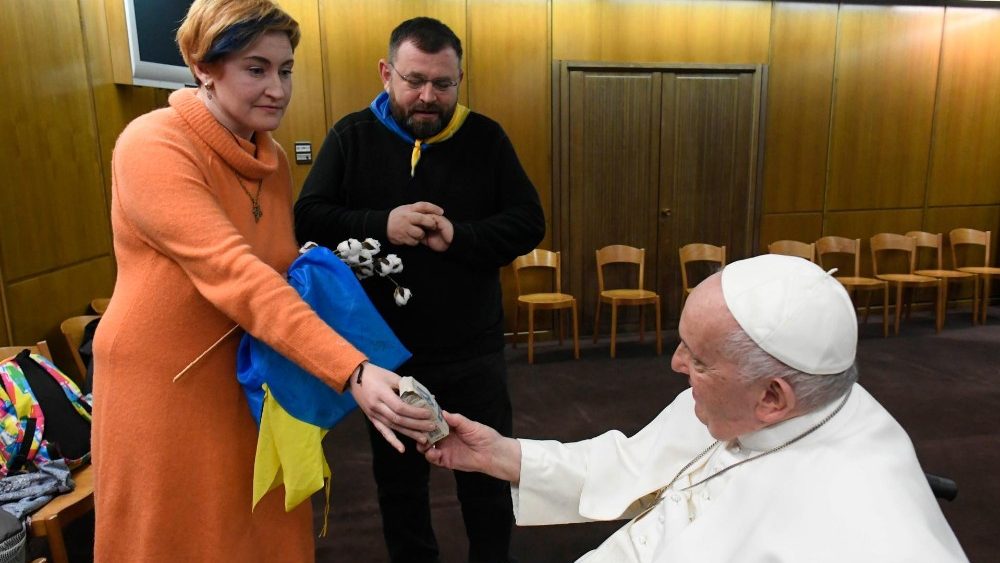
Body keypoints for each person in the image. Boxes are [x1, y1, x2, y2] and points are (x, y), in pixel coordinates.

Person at [91, 2, 434, 561]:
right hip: (166, 388)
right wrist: (351, 368)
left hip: (250, 377)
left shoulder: (270, 156)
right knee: (181, 536)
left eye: (286, 69)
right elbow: (235, 272)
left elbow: (275, 271)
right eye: (256, 69)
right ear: (204, 66)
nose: (277, 87)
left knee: (261, 531)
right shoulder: (153, 143)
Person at [423, 254, 968, 562]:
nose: (676, 365)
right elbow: (630, 465)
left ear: (773, 398)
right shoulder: (741, 403)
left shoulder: (877, 538)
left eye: (698, 358)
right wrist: (500, 456)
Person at [294, 16, 545, 563]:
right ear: (387, 74)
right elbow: (306, 219)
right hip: (387, 358)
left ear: (459, 80)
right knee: (400, 490)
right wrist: (381, 223)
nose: (428, 97)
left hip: (474, 353)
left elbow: (529, 222)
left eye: (444, 84)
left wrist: (461, 236)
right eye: (414, 81)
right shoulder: (351, 136)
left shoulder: (486, 138)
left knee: (486, 482)